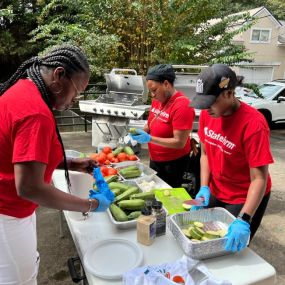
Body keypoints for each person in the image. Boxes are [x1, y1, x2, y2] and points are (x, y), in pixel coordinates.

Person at [0, 44, 114, 285]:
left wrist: (70, 163)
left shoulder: (24, 90)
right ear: (59, 75)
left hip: (12, 207)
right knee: (20, 279)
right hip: (7, 212)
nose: (75, 100)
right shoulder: (36, 114)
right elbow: (30, 187)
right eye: (77, 91)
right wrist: (90, 204)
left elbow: (22, 155)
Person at [190, 64, 273, 252]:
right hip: (216, 188)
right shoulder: (207, 114)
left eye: (210, 101)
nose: (205, 108)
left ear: (229, 93)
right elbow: (205, 154)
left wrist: (244, 219)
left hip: (244, 195)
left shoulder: (253, 124)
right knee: (203, 237)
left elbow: (259, 178)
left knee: (230, 248)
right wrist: (204, 187)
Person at [130, 64, 195, 188]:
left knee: (167, 192)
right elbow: (150, 123)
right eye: (150, 91)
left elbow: (179, 142)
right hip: (155, 157)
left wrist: (150, 139)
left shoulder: (182, 105)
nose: (152, 95)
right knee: (153, 188)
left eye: (154, 90)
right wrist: (140, 132)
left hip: (173, 162)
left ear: (166, 84)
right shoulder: (158, 100)